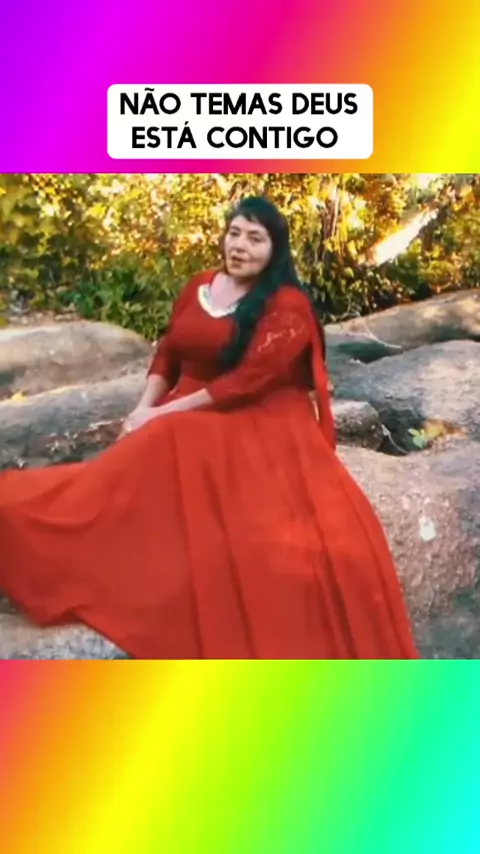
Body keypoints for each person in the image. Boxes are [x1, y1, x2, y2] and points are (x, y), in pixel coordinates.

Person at [0, 196, 419, 659]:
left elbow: (246, 383)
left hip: (260, 416)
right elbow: (168, 354)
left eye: (255, 239)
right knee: (120, 473)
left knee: (165, 443)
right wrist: (142, 409)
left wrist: (161, 417)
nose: (240, 246)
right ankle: (37, 528)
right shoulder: (199, 285)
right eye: (235, 233)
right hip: (187, 405)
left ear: (275, 250)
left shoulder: (288, 305)